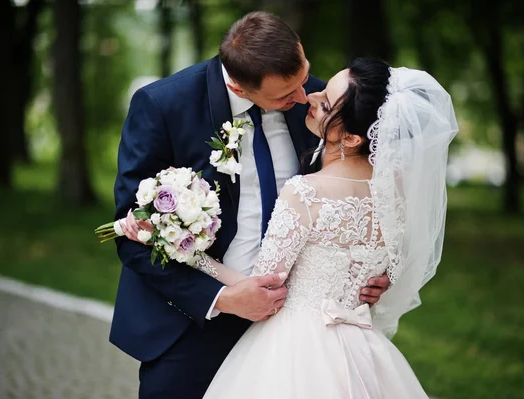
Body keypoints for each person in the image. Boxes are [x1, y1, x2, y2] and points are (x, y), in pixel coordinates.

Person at [126, 58, 458, 398]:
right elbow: (393, 252)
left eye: (324, 101)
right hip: (358, 347)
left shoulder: (305, 191)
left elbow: (264, 283)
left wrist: (186, 249)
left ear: (354, 137)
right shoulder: (395, 189)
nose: (309, 98)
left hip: (291, 345)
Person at [112, 12, 390, 399]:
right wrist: (221, 299)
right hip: (191, 327)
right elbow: (132, 234)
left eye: (305, 75)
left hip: (294, 338)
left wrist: (364, 269)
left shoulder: (322, 106)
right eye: (285, 95)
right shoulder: (163, 106)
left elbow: (353, 194)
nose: (304, 96)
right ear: (241, 90)